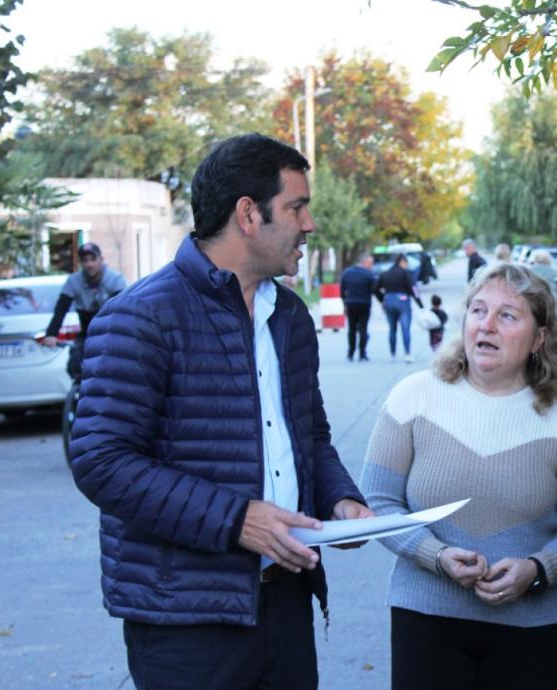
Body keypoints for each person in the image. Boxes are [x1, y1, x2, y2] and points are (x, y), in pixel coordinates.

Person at [69, 133, 374, 690]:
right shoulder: (141, 316)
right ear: (248, 214)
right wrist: (238, 520)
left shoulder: (291, 317)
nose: (309, 225)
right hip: (187, 620)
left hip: (285, 601)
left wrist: (341, 499)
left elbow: (311, 435)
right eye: (297, 207)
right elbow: (100, 461)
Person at [360, 263, 557, 690]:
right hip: (425, 617)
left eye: (508, 315)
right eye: (478, 311)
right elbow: (379, 500)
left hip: (534, 628)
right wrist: (436, 556)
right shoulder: (414, 397)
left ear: (539, 338)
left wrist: (537, 570)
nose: (487, 325)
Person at [42, 242, 127, 379]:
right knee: (75, 366)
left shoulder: (115, 280)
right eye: (85, 260)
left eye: (93, 259)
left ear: (101, 259)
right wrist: (51, 333)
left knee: (116, 366)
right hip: (86, 330)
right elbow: (61, 308)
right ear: (81, 263)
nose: (89, 264)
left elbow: (124, 310)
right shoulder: (73, 281)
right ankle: (78, 392)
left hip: (110, 329)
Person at [376, 252, 424, 363]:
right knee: (405, 328)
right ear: (402, 261)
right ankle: (407, 354)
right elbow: (413, 289)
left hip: (388, 300)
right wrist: (420, 305)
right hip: (402, 301)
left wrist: (382, 299)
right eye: (406, 263)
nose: (406, 265)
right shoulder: (405, 273)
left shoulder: (385, 273)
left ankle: (392, 355)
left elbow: (375, 288)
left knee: (392, 329)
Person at [340, 253, 377, 361]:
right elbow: (374, 289)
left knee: (351, 328)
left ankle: (351, 353)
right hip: (365, 304)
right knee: (363, 328)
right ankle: (362, 353)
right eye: (371, 263)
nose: (372, 266)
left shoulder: (347, 273)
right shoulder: (369, 275)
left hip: (351, 303)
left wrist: (345, 303)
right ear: (364, 262)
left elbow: (342, 290)